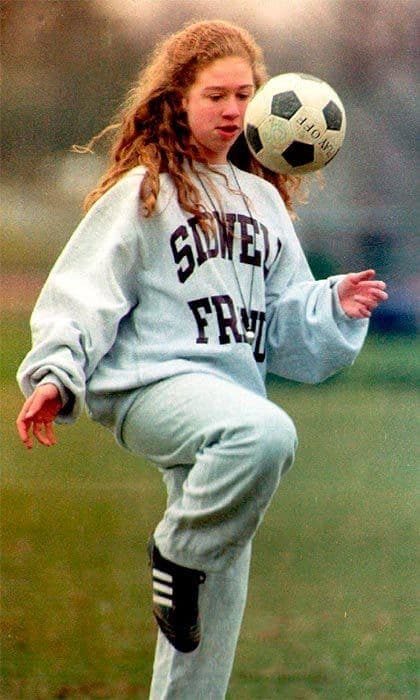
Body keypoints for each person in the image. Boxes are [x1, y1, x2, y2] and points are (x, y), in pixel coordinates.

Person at [16, 19, 388, 699]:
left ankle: (187, 576)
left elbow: (281, 324)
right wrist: (54, 375)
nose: (233, 110)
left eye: (245, 95)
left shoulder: (264, 201)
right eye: (216, 94)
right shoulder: (144, 191)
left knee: (208, 614)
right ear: (176, 98)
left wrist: (332, 305)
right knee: (266, 435)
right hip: (151, 388)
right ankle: (177, 553)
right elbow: (82, 293)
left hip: (226, 398)